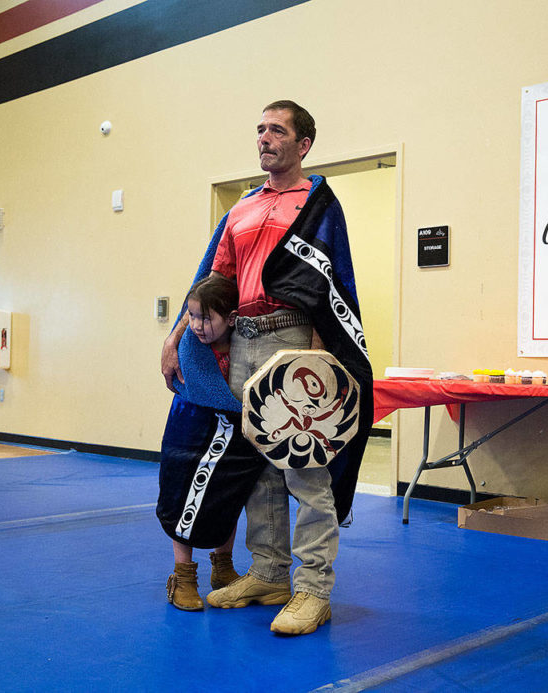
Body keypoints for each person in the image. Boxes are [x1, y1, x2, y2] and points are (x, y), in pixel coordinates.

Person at [161, 100, 373, 636]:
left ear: (303, 145)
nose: (264, 138)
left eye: (276, 130)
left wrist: (322, 356)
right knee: (255, 467)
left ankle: (313, 589)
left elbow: (330, 286)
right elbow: (212, 282)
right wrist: (176, 337)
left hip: (296, 338)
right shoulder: (241, 209)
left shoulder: (319, 203)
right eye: (259, 129)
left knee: (305, 467)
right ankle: (271, 573)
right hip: (244, 342)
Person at [157, 274, 254, 611]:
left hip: (232, 433)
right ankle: (183, 576)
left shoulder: (245, 344)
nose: (197, 325)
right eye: (193, 316)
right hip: (191, 426)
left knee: (227, 494)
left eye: (205, 318)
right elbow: (195, 385)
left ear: (231, 319)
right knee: (180, 495)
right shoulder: (192, 346)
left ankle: (222, 567)